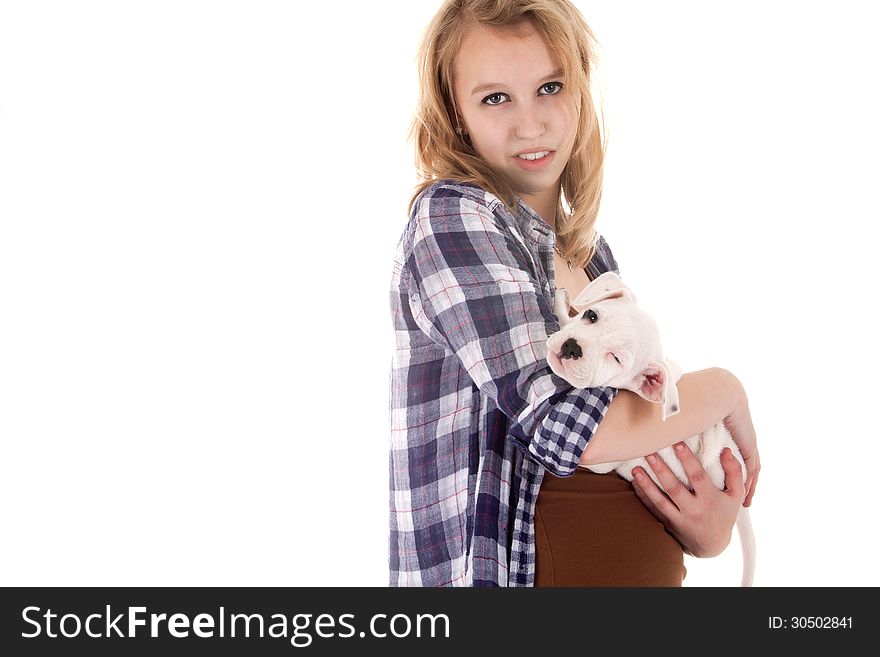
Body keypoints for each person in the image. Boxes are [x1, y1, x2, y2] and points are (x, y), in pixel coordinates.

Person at [389, 0, 759, 587]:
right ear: (454, 113)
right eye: (495, 98)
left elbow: (637, 436)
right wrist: (724, 390)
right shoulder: (454, 217)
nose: (530, 124)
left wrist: (704, 527)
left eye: (550, 87)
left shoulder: (591, 257)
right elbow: (570, 427)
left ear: (582, 91)